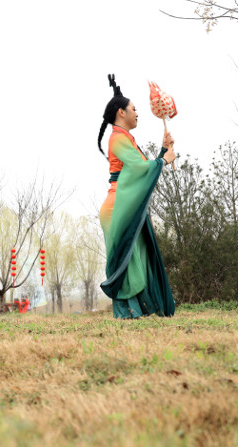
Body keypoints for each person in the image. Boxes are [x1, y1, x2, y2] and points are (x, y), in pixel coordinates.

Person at [97, 75, 176, 319]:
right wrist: (163, 161)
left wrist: (163, 150)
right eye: (134, 109)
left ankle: (137, 310)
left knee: (137, 258)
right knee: (127, 261)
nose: (138, 113)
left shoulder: (125, 138)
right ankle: (127, 312)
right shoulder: (118, 139)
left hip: (125, 206)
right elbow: (140, 169)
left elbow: (140, 168)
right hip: (117, 207)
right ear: (121, 112)